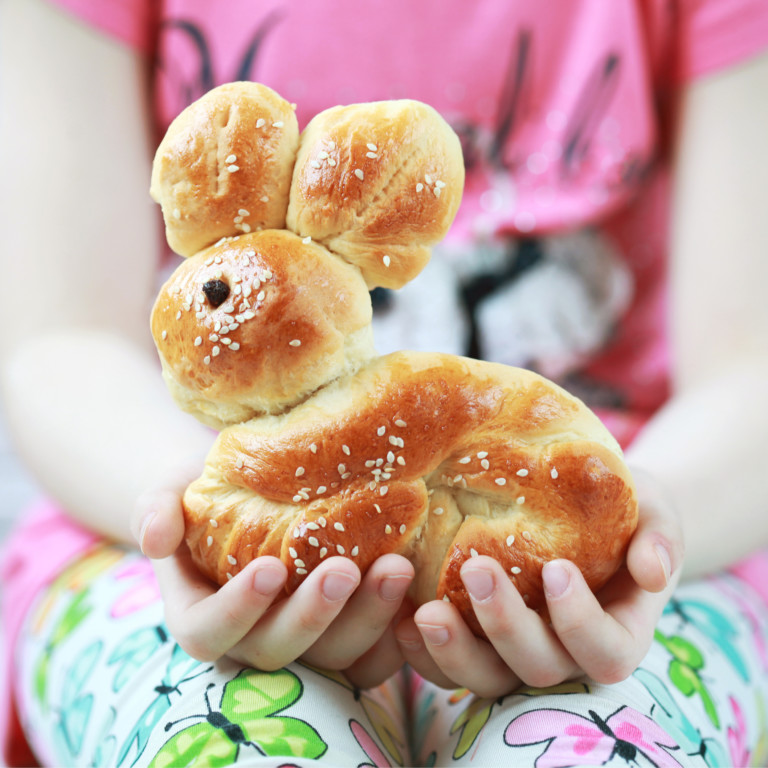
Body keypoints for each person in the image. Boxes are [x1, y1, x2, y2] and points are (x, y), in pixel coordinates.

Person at [0, 0, 767, 765]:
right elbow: (61, 343)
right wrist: (188, 519)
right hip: (148, 525)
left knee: (587, 753)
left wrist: (648, 536)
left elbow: (749, 371)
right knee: (242, 750)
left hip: (640, 538)